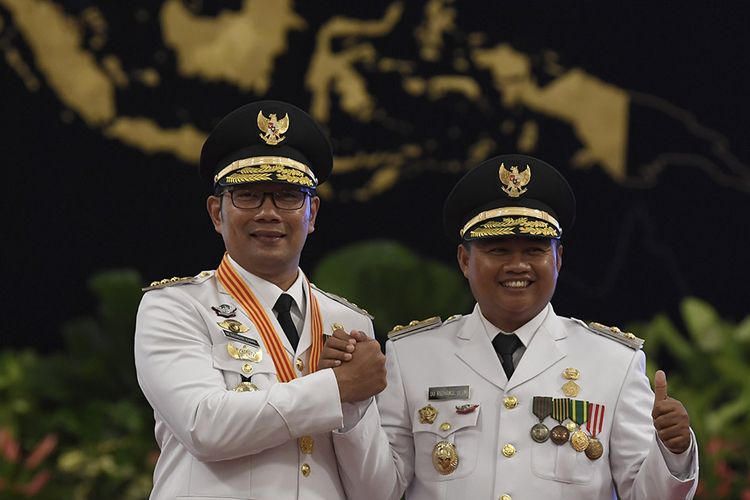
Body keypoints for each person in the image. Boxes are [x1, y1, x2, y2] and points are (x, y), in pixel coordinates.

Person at [325, 154, 699, 499]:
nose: (517, 265)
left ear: (558, 259)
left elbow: (645, 494)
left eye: (534, 250)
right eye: (498, 250)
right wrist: (352, 405)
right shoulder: (412, 356)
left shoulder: (612, 361)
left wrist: (674, 451)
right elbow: (376, 491)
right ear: (464, 260)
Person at [134, 100, 386, 500]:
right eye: (249, 195)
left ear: (312, 213)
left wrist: (352, 410)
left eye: (288, 196)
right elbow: (206, 428)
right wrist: (336, 388)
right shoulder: (176, 307)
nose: (269, 213)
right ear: (217, 213)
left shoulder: (347, 321)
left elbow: (377, 492)